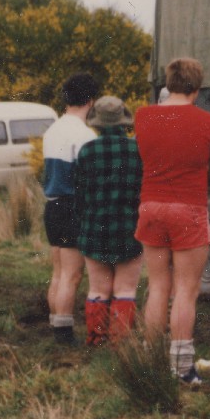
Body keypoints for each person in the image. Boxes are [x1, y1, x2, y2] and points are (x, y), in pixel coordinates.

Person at [134, 58, 210, 385]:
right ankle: (182, 367)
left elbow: (145, 156)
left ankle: (149, 356)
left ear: (168, 83)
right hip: (187, 208)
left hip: (151, 206)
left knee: (158, 285)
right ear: (197, 88)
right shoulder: (208, 122)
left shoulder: (143, 117)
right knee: (186, 290)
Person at [73, 96, 143, 347]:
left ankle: (96, 338)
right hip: (129, 228)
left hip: (94, 227)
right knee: (125, 290)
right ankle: (120, 343)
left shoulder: (86, 151)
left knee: (98, 289)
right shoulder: (139, 150)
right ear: (124, 122)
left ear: (97, 123)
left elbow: (79, 194)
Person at [41, 73, 99, 344]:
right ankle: (63, 331)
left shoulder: (52, 130)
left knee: (59, 272)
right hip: (72, 208)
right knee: (72, 275)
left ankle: (56, 322)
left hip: (52, 207)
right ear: (91, 101)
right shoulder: (85, 135)